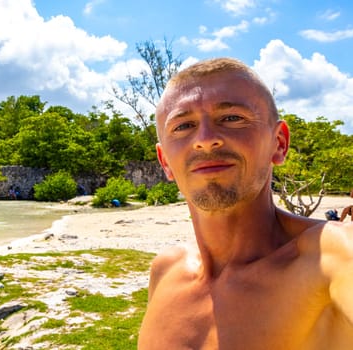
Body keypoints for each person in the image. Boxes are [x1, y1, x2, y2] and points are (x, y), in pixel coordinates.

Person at [138, 58, 353, 349]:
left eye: (232, 118)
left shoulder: (329, 258)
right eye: (183, 125)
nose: (205, 140)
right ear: (165, 162)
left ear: (279, 143)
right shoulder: (165, 271)